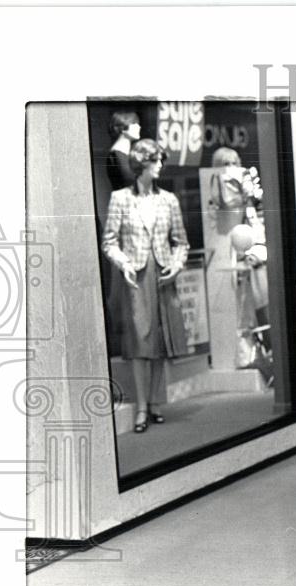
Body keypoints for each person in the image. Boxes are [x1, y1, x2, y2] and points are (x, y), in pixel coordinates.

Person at [102, 138, 190, 433]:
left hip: (163, 274)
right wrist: (124, 263)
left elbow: (182, 243)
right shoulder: (119, 199)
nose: (160, 166)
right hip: (136, 276)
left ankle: (154, 403)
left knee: (160, 342)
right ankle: (141, 406)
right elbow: (109, 242)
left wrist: (176, 266)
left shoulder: (169, 200)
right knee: (140, 342)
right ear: (142, 164)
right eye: (156, 161)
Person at [106, 111, 141, 190]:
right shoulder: (118, 155)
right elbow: (128, 183)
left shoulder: (122, 154)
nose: (139, 127)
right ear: (123, 129)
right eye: (134, 124)